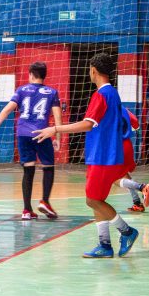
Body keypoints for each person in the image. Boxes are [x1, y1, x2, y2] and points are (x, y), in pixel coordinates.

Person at [34, 53, 139, 258]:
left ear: (93, 70)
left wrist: (55, 129)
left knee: (92, 200)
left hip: (102, 155)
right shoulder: (113, 93)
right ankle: (105, 245)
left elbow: (88, 124)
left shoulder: (101, 94)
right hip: (104, 154)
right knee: (97, 198)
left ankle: (127, 231)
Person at [0, 62, 62, 220]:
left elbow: (6, 110)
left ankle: (27, 210)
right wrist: (57, 137)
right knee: (48, 166)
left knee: (28, 170)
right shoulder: (52, 92)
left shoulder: (21, 90)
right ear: (44, 75)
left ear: (31, 74)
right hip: (42, 133)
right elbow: (58, 117)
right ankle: (45, 201)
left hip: (23, 133)